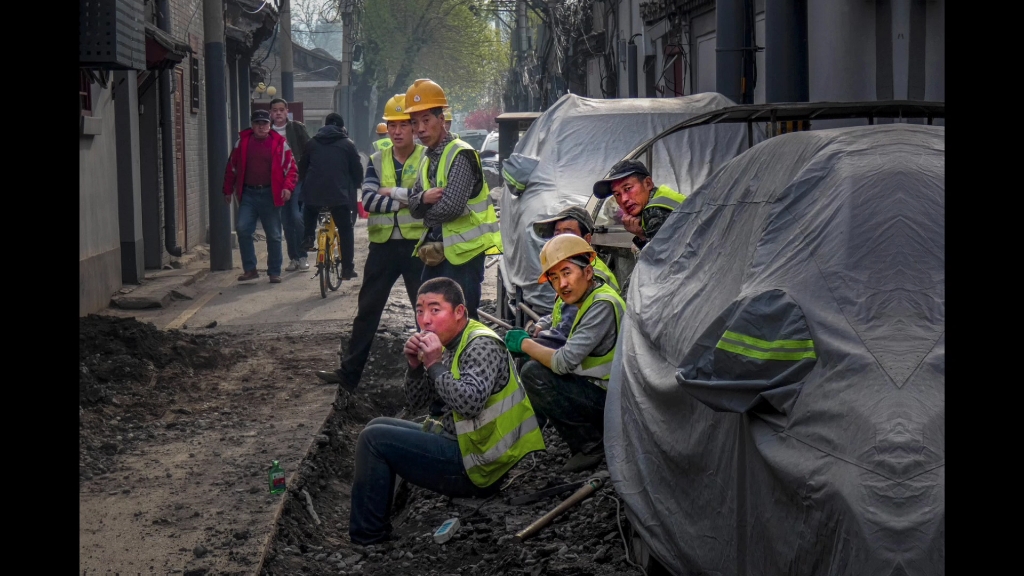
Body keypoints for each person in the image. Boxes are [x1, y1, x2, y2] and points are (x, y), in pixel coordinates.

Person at [348, 278, 545, 545]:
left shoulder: (481, 345)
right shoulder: (448, 342)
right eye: (420, 310)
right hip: (464, 446)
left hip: (480, 465)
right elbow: (416, 403)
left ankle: (368, 537)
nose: (425, 320)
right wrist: (415, 367)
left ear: (459, 312)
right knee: (376, 425)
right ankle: (378, 519)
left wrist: (434, 365)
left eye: (434, 309)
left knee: (374, 440)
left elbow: (469, 404)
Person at [316, 95, 428, 392]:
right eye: (392, 125)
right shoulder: (378, 160)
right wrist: (407, 199)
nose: (397, 131)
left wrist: (393, 194)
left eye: (403, 125)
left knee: (425, 314)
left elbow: (427, 199)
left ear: (414, 128)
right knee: (367, 311)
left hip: (418, 246)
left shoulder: (427, 159)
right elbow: (368, 200)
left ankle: (431, 376)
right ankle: (349, 373)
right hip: (383, 248)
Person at [504, 235, 625, 473]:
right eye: (555, 278)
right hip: (601, 389)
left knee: (534, 373)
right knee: (537, 363)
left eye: (567, 273)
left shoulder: (601, 305)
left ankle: (591, 445)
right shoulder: (587, 298)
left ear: (588, 273)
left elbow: (563, 362)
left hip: (613, 401)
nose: (562, 284)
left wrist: (525, 344)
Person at [405, 78, 501, 320]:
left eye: (426, 120)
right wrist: (424, 198)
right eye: (415, 123)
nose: (420, 129)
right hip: (438, 252)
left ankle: (471, 359)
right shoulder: (426, 159)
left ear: (442, 120)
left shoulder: (461, 154)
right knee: (430, 319)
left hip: (464, 256)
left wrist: (423, 208)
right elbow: (413, 205)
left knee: (462, 320)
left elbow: (451, 207)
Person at [222, 109, 297, 284]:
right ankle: (250, 269)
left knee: (274, 234)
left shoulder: (280, 143)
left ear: (269, 125)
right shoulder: (242, 143)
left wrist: (288, 188)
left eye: (264, 123)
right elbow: (231, 167)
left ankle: (274, 271)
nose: (261, 127)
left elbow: (291, 169)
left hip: (271, 194)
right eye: (257, 123)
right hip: (249, 193)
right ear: (253, 125)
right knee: (242, 228)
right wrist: (227, 189)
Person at [529, 206, 619, 348]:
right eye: (557, 234)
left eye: (568, 234)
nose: (560, 241)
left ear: (587, 239)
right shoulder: (568, 267)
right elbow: (561, 313)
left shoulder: (590, 274)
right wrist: (544, 323)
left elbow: (564, 333)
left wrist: (526, 343)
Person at [299, 113, 364, 280]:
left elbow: (302, 168)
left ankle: (307, 237)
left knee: (310, 209)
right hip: (338, 196)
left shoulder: (311, 143)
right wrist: (357, 184)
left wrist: (305, 183)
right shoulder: (348, 144)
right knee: (345, 229)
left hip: (313, 194)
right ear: (342, 128)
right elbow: (357, 169)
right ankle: (348, 268)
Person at [592, 159, 686, 250]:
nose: (623, 199)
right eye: (617, 194)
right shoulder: (663, 196)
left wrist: (641, 235)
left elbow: (662, 262)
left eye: (628, 188)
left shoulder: (655, 211)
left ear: (648, 184)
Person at [268, 98, 312, 273]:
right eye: (275, 110)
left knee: (296, 216)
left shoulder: (296, 128)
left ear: (287, 112)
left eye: (281, 110)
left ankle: (303, 255)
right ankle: (293, 258)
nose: (278, 113)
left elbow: (309, 150)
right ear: (271, 113)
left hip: (297, 179)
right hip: (277, 183)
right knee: (286, 222)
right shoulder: (267, 131)